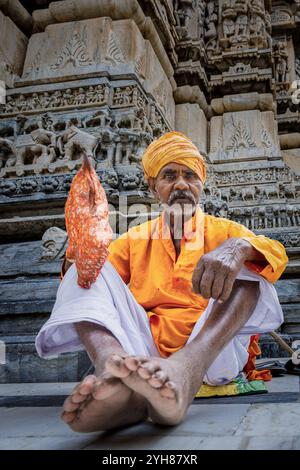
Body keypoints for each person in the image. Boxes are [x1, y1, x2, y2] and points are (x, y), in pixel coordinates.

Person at [36, 131, 288, 433]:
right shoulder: (135, 239)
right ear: (153, 187)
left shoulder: (225, 230)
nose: (181, 184)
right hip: (143, 355)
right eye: (169, 175)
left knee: (252, 269)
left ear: (201, 185)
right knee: (85, 269)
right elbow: (91, 285)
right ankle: (113, 374)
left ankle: (184, 372)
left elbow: (277, 254)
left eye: (190, 176)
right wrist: (80, 247)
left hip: (211, 357)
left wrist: (237, 249)